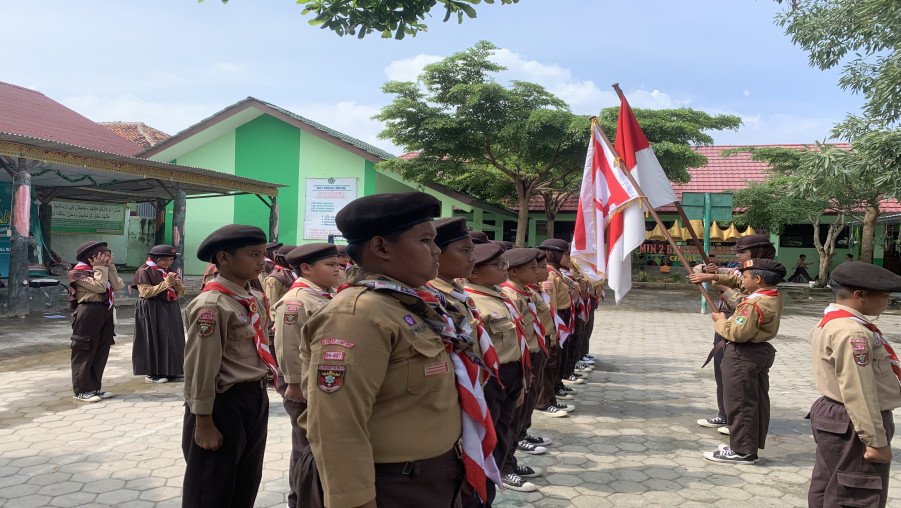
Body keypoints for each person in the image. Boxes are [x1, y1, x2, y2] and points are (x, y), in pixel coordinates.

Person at [300, 193, 486, 508]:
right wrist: (355, 501)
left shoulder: (414, 303)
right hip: (393, 483)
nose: (436, 250)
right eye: (425, 240)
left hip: (432, 475)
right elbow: (336, 423)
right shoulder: (357, 315)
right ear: (382, 248)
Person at [181, 224, 276, 508]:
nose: (262, 261)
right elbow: (201, 366)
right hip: (223, 403)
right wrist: (203, 421)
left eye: (263, 254)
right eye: (254, 255)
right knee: (211, 486)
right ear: (224, 258)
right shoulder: (212, 305)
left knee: (246, 480)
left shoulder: (251, 298)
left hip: (253, 396)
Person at [807, 262, 901, 507]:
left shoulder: (832, 320)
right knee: (856, 492)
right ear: (860, 295)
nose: (888, 302)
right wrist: (875, 441)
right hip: (854, 420)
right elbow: (859, 391)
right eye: (885, 296)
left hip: (836, 414)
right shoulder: (853, 332)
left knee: (829, 483)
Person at [428, 217, 503, 507]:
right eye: (465, 251)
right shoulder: (429, 299)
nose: (472, 258)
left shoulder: (454, 294)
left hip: (476, 385)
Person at [272, 243, 340, 508]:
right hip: (302, 384)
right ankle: (300, 498)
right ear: (306, 268)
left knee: (318, 445)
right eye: (330, 265)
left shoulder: (322, 295)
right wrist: (294, 384)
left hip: (320, 381)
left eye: (337, 265)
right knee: (306, 447)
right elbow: (288, 346)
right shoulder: (296, 301)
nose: (337, 270)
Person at [689, 234, 776, 434]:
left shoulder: (765, 274)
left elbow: (746, 303)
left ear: (756, 252)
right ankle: (725, 414)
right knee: (723, 373)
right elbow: (699, 271)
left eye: (742, 251)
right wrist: (709, 271)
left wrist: (721, 286)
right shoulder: (738, 271)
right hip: (725, 324)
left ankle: (740, 424)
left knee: (740, 382)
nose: (737, 255)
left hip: (741, 329)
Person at [465, 243, 534, 494]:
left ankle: (500, 469)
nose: (505, 268)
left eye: (504, 263)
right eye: (498, 265)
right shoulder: (471, 301)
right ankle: (488, 480)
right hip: (490, 379)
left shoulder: (500, 296)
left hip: (512, 371)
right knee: (489, 432)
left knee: (505, 426)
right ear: (474, 272)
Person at [703, 258, 786, 465]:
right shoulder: (773, 295)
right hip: (758, 352)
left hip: (743, 354)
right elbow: (739, 285)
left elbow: (738, 333)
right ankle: (747, 445)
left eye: (746, 277)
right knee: (754, 401)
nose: (742, 280)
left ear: (758, 279)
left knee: (739, 403)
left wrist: (721, 321)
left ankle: (741, 451)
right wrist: (716, 278)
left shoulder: (753, 304)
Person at [67, 241, 125, 402]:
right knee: (85, 349)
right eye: (103, 255)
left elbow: (117, 285)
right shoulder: (77, 273)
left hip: (105, 311)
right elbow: (100, 287)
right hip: (89, 312)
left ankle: (94, 387)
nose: (107, 258)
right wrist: (100, 268)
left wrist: (110, 266)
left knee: (101, 350)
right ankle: (81, 390)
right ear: (91, 257)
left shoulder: (102, 269)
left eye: (108, 254)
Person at [132, 244, 186, 384]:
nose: (168, 262)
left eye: (171, 259)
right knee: (152, 338)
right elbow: (145, 292)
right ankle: (153, 373)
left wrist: (178, 285)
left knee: (173, 338)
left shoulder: (169, 271)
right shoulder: (144, 271)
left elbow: (180, 293)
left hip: (170, 306)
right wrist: (166, 283)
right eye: (165, 259)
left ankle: (172, 370)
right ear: (155, 258)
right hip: (151, 307)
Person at [533, 250, 569, 414]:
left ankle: (549, 399)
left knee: (551, 366)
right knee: (546, 367)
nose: (545, 270)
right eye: (540, 267)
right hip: (544, 332)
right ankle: (543, 402)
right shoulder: (547, 280)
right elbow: (552, 306)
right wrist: (554, 333)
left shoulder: (546, 281)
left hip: (551, 327)